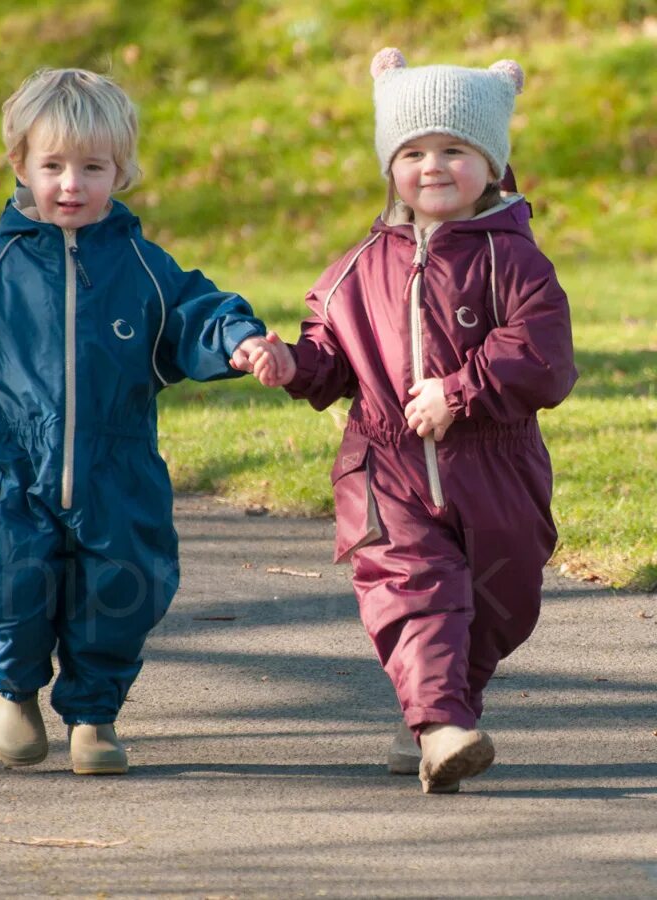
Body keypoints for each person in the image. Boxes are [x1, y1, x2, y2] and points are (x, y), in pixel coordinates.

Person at [0, 67, 283, 775]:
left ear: (120, 172)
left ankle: (94, 716)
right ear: (20, 166)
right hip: (7, 466)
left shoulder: (143, 267)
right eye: (53, 166)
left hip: (117, 468)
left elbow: (197, 311)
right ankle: (13, 690)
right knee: (3, 582)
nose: (71, 184)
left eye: (91, 168)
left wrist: (237, 341)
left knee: (121, 590)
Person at [241, 48, 577, 793]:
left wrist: (460, 393)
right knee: (416, 590)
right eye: (413, 151)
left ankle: (439, 715)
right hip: (385, 466)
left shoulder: (517, 263)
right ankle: (442, 724)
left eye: (455, 149)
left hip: (498, 465)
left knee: (501, 603)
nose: (432, 166)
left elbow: (544, 357)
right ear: (389, 164)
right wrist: (293, 364)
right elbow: (332, 353)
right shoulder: (357, 267)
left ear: (491, 164)